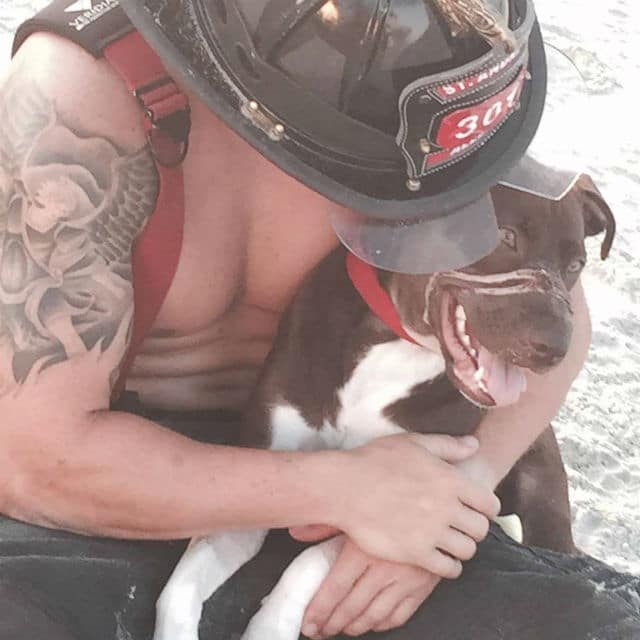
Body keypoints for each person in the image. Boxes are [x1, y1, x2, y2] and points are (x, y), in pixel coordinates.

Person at [0, 1, 638, 639]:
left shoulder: (427, 61)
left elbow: (556, 310)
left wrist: (450, 500)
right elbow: (33, 462)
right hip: (114, 486)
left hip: (364, 470)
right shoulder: (82, 91)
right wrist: (341, 490)